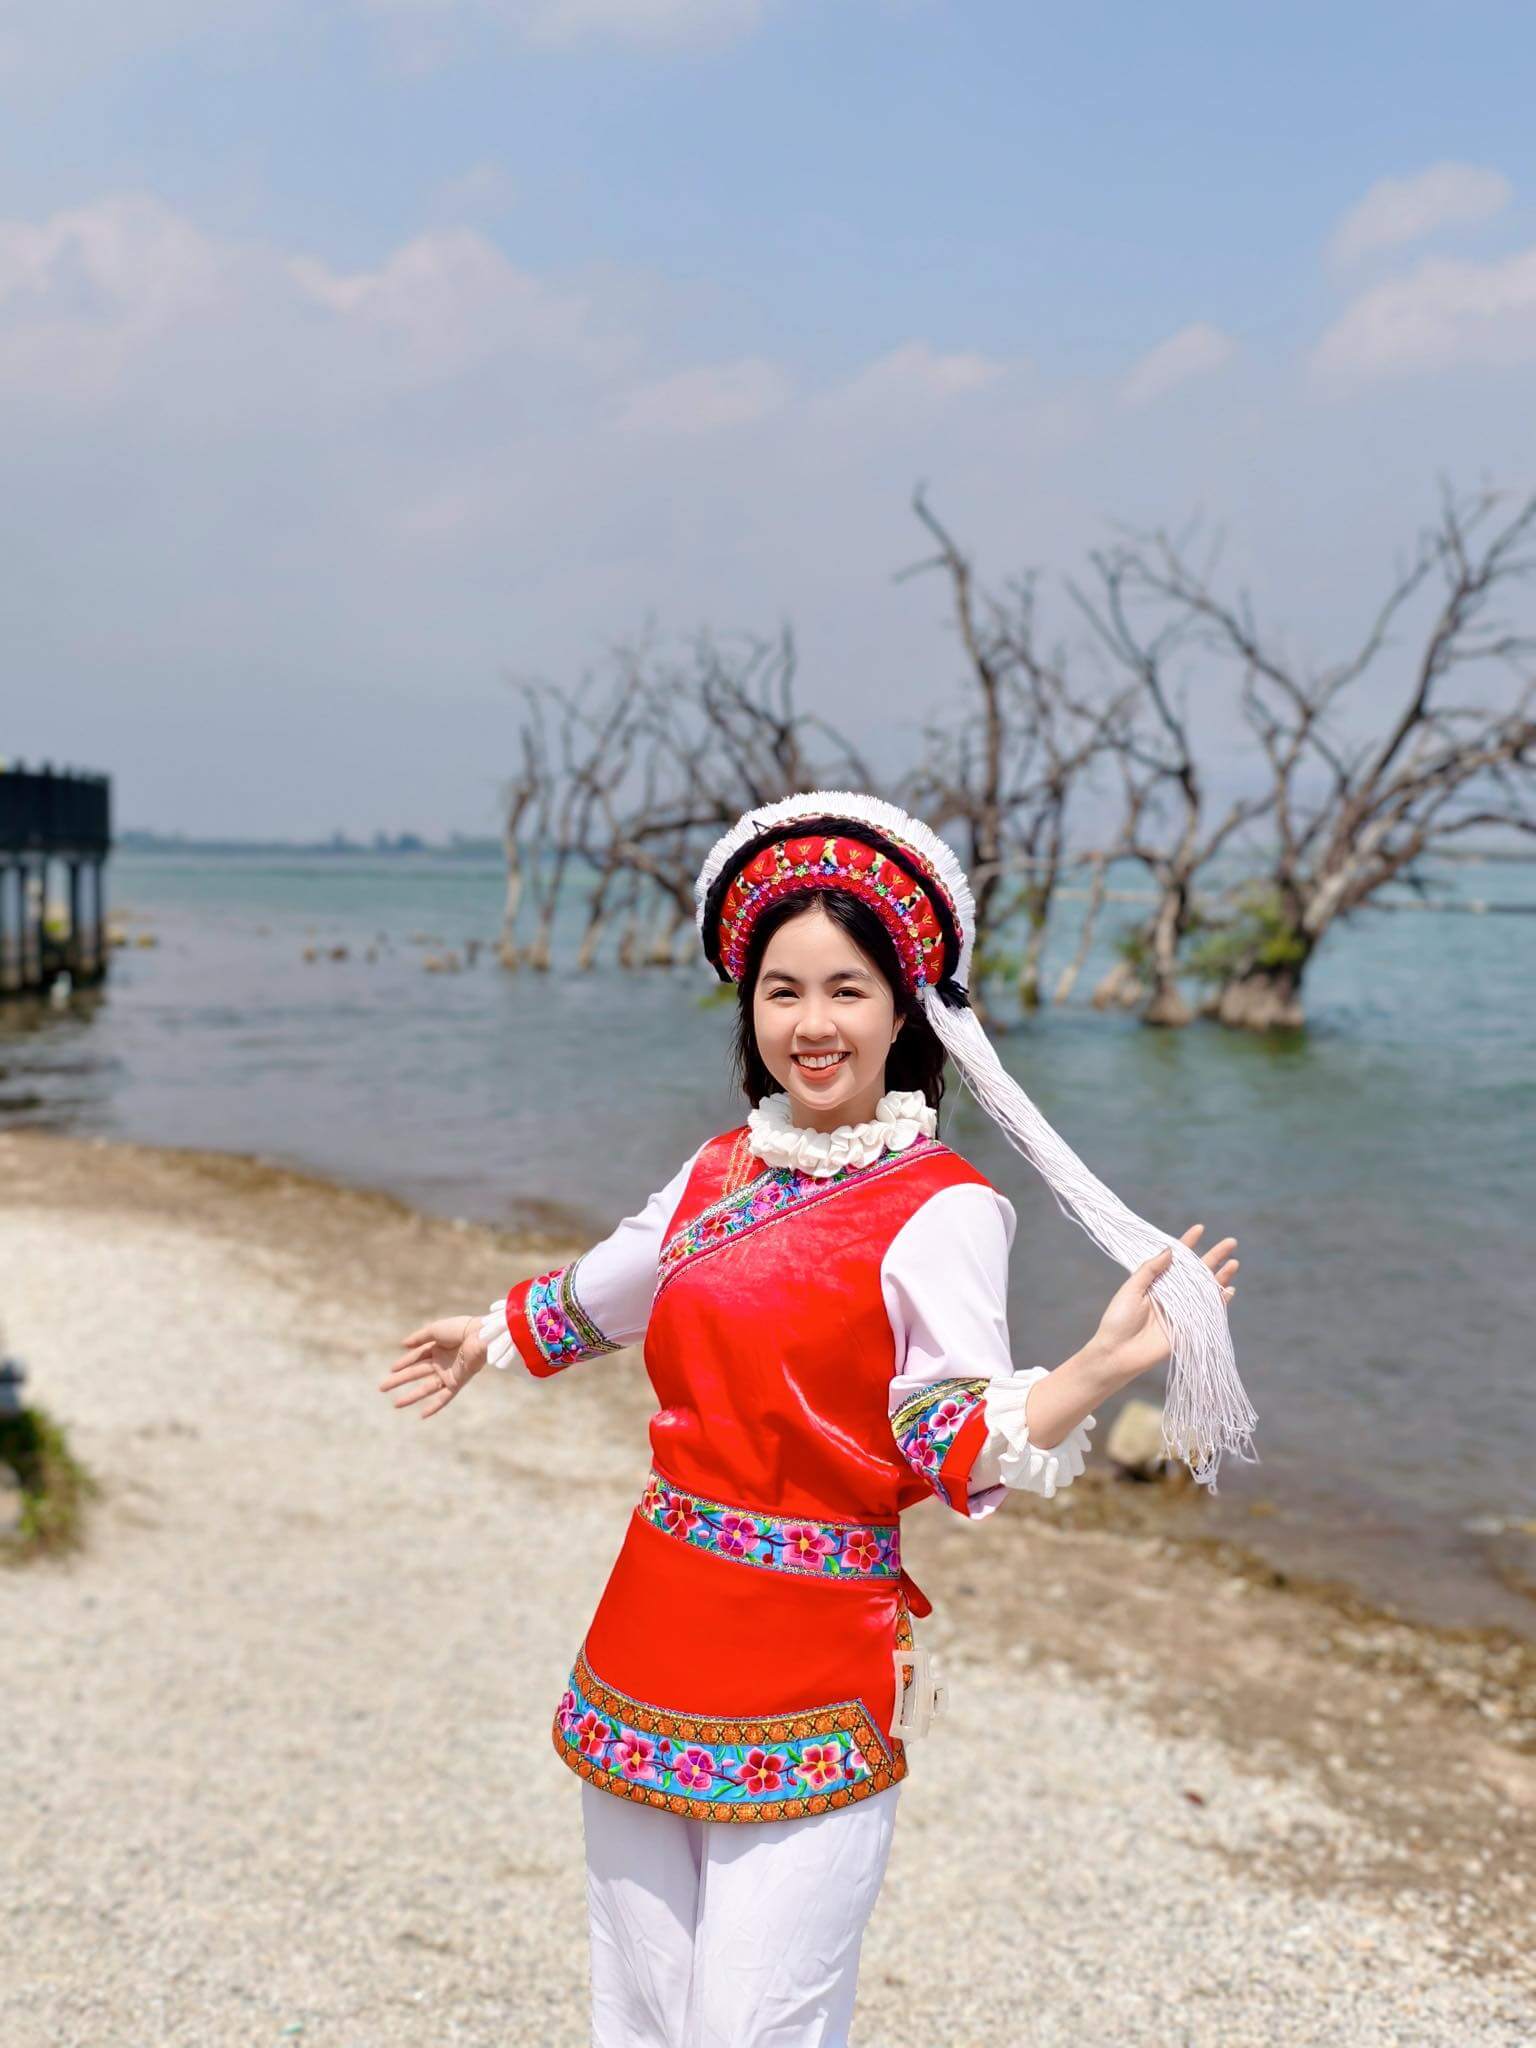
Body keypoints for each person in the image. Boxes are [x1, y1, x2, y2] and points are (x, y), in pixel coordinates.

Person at [379, 791, 1242, 2048]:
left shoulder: (944, 1205)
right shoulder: (716, 1168)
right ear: (751, 1010)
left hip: (815, 1657)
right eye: (782, 991)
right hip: (652, 1627)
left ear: (904, 1010)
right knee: (642, 2008)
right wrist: (489, 1332)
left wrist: (1094, 1370)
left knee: (759, 2021)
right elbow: (611, 1284)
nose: (812, 1022)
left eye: (847, 989)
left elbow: (946, 1429)